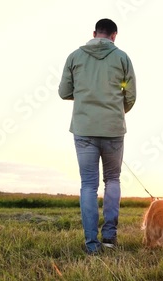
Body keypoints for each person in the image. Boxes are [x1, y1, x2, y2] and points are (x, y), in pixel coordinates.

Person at [58, 18, 136, 255]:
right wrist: (116, 110)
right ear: (114, 36)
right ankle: (110, 239)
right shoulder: (122, 57)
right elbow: (130, 93)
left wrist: (85, 97)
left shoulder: (75, 57)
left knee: (88, 186)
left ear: (94, 33)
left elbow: (64, 92)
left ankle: (92, 245)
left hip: (84, 130)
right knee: (112, 181)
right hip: (113, 129)